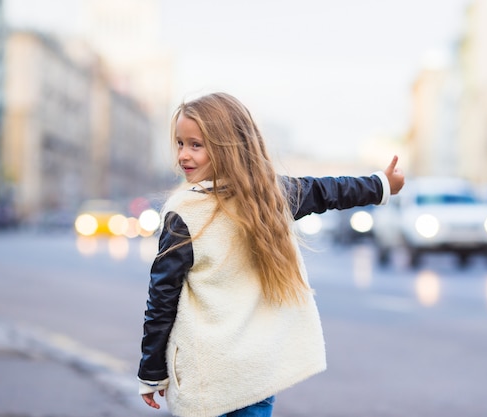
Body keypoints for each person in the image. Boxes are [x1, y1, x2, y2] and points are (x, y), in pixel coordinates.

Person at [138, 92, 405, 417]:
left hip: (206, 378)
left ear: (228, 147)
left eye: (196, 145)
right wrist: (380, 185)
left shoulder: (185, 212)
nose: (183, 155)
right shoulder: (270, 196)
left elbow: (162, 296)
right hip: (255, 374)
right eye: (180, 143)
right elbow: (328, 191)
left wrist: (152, 370)